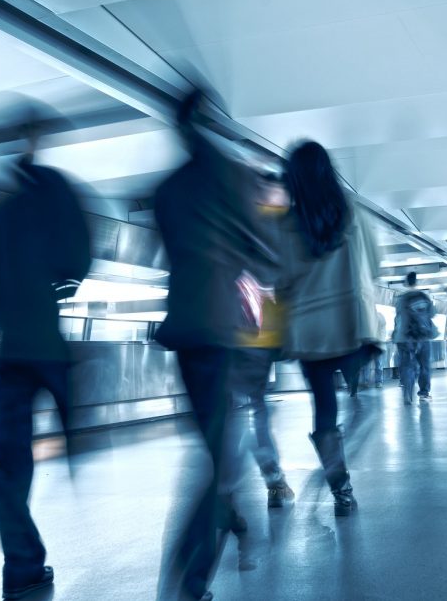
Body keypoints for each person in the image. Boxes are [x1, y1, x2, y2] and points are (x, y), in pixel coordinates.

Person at [153, 91, 279, 601]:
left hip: (182, 328)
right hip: (220, 328)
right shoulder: (233, 174)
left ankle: (216, 524)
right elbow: (263, 248)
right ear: (211, 120)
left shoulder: (166, 189)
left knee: (211, 444)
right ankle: (189, 573)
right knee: (223, 455)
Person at [0, 112, 92, 600]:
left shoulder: (5, 211)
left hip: (13, 353)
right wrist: (54, 294)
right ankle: (27, 561)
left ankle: (22, 566)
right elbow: (79, 257)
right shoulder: (58, 194)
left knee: (7, 465)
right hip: (47, 346)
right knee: (62, 442)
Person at [276, 140, 382, 517]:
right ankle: (341, 452)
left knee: (324, 410)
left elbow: (281, 281)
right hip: (350, 327)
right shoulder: (352, 212)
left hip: (308, 334)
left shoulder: (287, 223)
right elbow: (377, 263)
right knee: (363, 407)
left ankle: (342, 487)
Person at [225, 172, 294, 510]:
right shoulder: (278, 226)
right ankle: (272, 480)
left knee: (240, 409)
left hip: (235, 334)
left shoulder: (236, 223)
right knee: (257, 409)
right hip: (259, 336)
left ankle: (230, 487)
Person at [394, 272, 438, 404]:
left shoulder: (401, 299)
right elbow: (433, 313)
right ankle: (424, 393)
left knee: (407, 365)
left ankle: (408, 392)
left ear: (405, 283)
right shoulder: (423, 296)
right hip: (423, 336)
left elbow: (399, 318)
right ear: (416, 282)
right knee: (424, 366)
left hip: (405, 337)